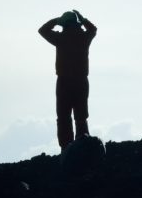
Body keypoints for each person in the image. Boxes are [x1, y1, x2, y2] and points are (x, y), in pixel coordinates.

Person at [38, 10, 97, 151]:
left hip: (64, 82)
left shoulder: (61, 38)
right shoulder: (84, 37)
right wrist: (84, 20)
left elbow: (42, 30)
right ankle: (83, 145)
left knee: (64, 117)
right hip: (81, 82)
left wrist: (55, 20)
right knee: (81, 116)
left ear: (64, 24)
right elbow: (93, 30)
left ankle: (66, 148)